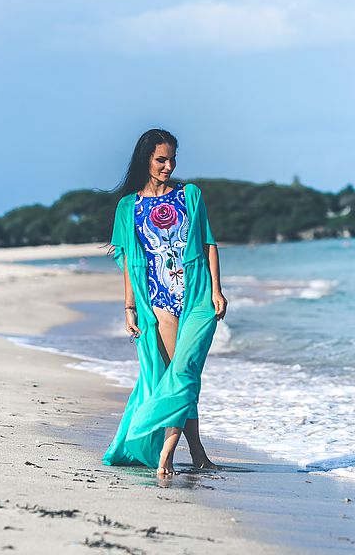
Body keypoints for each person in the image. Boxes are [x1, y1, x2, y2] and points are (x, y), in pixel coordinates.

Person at [102, 129, 228, 477]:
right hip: (157, 301)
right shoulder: (129, 207)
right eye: (161, 159)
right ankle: (198, 453)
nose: (169, 166)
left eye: (172, 158)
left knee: (185, 372)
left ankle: (167, 452)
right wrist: (129, 307)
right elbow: (127, 260)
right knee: (179, 377)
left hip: (198, 295)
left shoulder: (190, 195)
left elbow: (208, 243)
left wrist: (217, 289)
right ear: (146, 159)